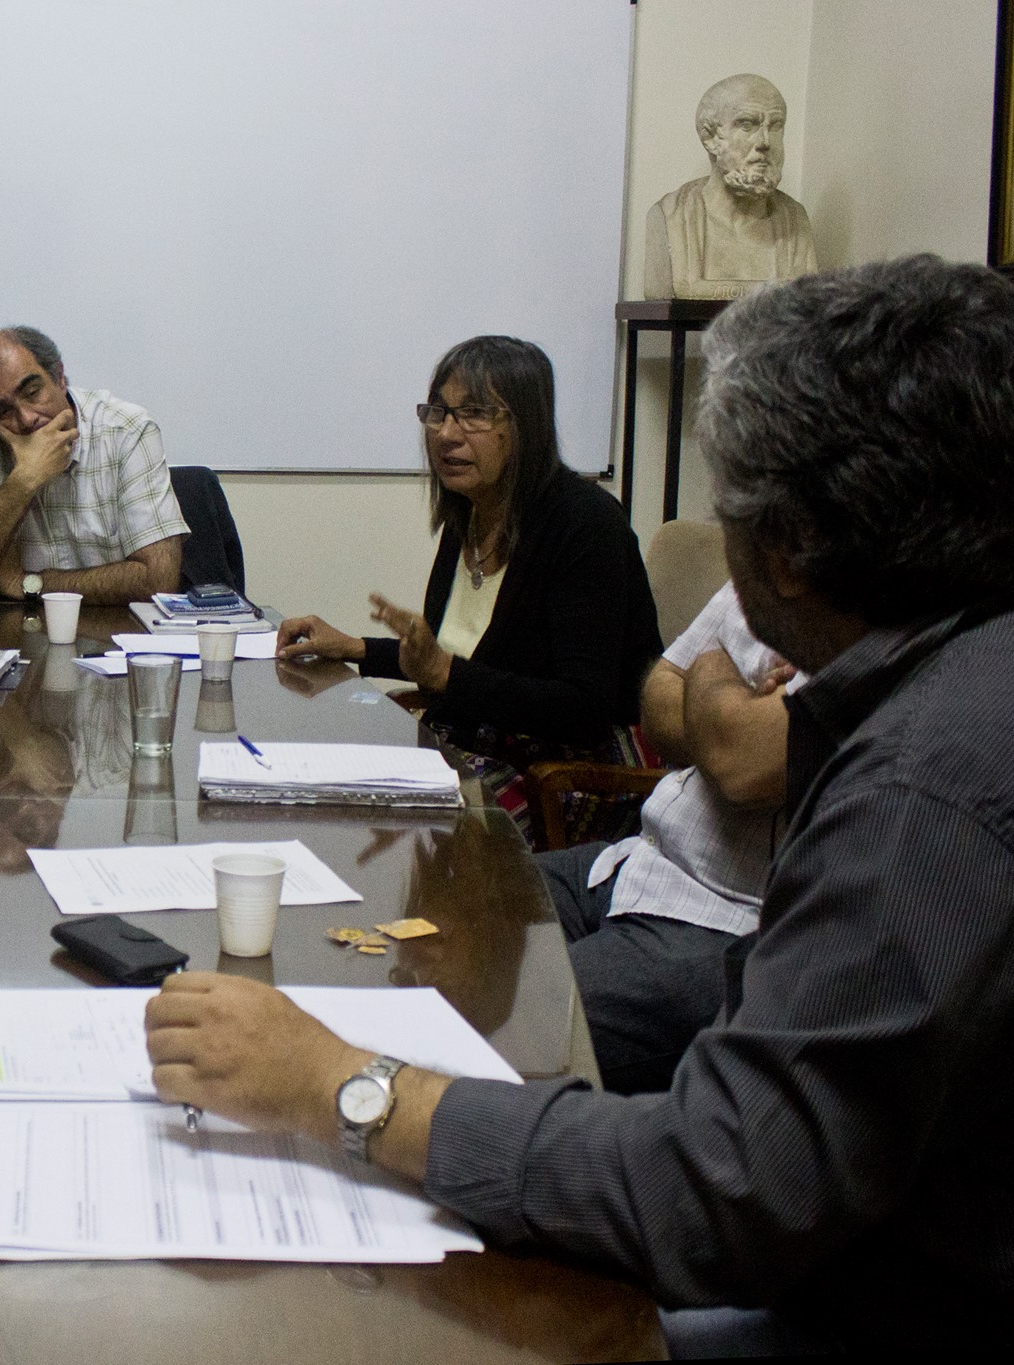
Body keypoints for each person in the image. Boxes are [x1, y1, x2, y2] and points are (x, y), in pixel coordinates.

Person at [145, 257, 1014, 1352]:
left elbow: (712, 1189)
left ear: (788, 547)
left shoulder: (919, 794)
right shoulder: (954, 675)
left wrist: (339, 1085)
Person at [275, 336, 661, 835]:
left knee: (410, 827)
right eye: (438, 412)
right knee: (333, 789)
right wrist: (353, 647)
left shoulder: (586, 523)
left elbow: (582, 708)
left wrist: (443, 673)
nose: (446, 434)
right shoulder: (468, 515)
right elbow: (461, 662)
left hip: (577, 769)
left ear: (526, 426)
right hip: (488, 742)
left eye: (474, 414)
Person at [538, 582, 795, 1094]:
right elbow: (657, 697)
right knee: (453, 906)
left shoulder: (878, 598)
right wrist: (727, 707)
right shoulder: (780, 552)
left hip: (721, 920)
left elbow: (743, 763)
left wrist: (709, 666)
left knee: (504, 1020)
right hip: (634, 863)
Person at [0, 327, 189, 607]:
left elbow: (158, 581)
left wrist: (27, 584)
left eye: (32, 393)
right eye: (2, 411)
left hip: (115, 629)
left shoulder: (127, 430)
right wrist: (23, 481)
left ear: (59, 377)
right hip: (14, 630)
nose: (27, 419)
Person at [643, 74, 818, 300]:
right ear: (709, 138)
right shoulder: (672, 216)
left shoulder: (795, 220)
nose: (764, 142)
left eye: (775, 126)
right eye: (746, 125)